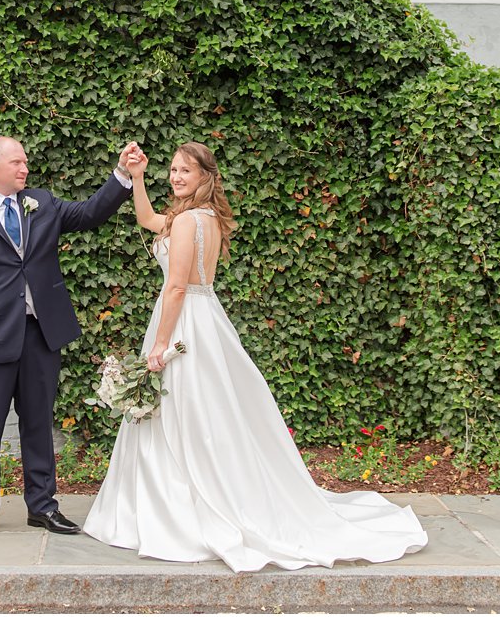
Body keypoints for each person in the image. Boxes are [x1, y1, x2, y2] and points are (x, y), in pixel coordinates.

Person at [82, 141, 428, 572]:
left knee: (182, 412)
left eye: (185, 171)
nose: (175, 177)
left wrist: (159, 345)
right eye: (172, 170)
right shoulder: (201, 217)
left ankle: (181, 512)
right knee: (203, 412)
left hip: (182, 322)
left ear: (205, 176)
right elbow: (148, 219)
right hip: (203, 317)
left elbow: (174, 287)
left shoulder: (189, 219)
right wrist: (136, 178)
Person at [0, 136, 135, 540]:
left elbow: (90, 214)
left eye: (25, 162)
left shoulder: (41, 202)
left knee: (39, 425)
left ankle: (43, 507)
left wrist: (123, 176)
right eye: (17, 162)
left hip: (40, 335)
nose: (25, 168)